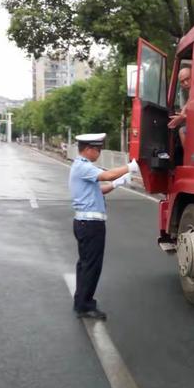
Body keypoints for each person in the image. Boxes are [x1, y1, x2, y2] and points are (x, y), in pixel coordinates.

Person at [69, 133, 140, 320]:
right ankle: (84, 306)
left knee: (85, 265)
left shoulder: (82, 167)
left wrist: (117, 183)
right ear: (88, 149)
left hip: (86, 223)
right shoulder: (83, 166)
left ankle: (81, 300)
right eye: (98, 149)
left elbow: (99, 189)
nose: (99, 153)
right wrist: (130, 166)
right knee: (91, 266)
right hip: (90, 225)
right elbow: (106, 175)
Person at [168, 67, 191, 146]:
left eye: (187, 79)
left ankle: (187, 157)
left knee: (182, 130)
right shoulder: (191, 91)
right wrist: (182, 114)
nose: (186, 83)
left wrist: (184, 116)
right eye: (182, 81)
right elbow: (188, 103)